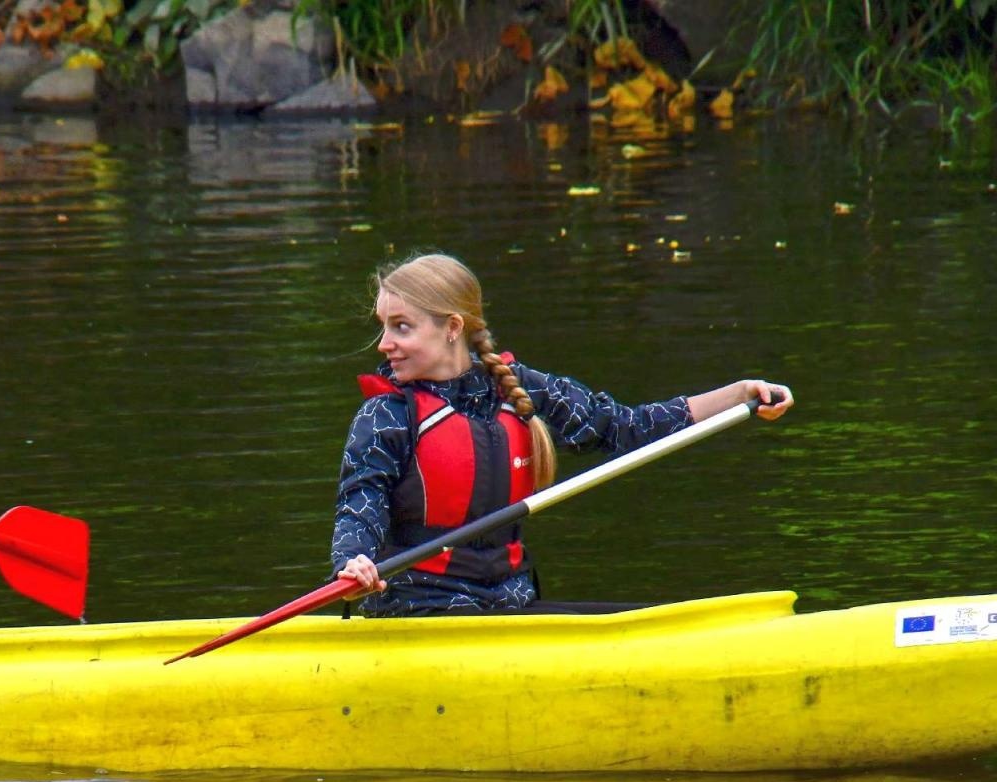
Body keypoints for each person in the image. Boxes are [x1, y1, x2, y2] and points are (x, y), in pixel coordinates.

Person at [333, 252, 794, 616]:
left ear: (452, 328)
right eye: (384, 327)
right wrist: (354, 562)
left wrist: (738, 396)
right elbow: (361, 501)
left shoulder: (519, 387)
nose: (384, 344)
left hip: (512, 604)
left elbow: (626, 428)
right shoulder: (387, 413)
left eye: (401, 327)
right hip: (419, 609)